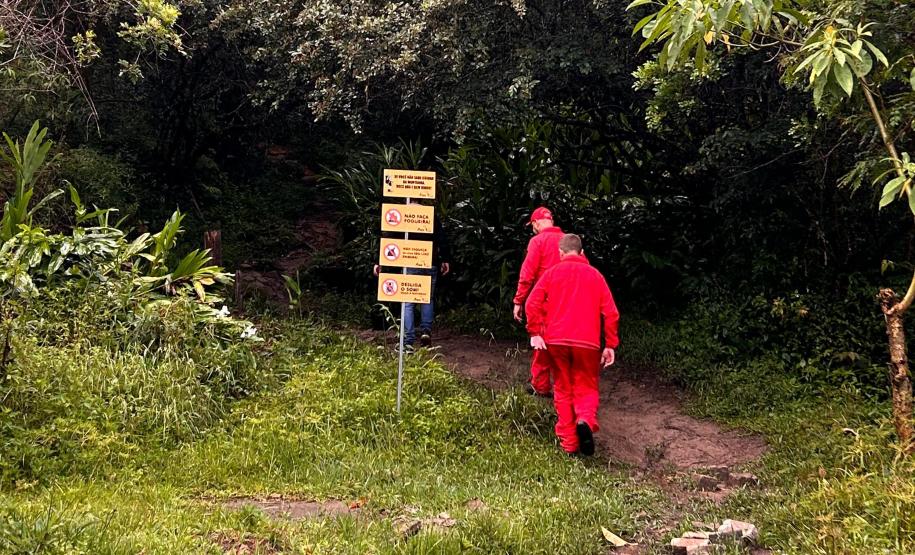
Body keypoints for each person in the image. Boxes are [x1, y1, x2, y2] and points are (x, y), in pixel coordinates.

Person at [524, 234, 619, 456]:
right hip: (588, 343)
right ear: (582, 252)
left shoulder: (551, 273)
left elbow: (532, 303)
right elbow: (612, 313)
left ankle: (569, 444)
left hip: (556, 341)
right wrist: (611, 344)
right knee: (586, 386)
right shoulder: (596, 276)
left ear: (560, 253)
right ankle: (585, 419)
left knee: (563, 389)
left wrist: (535, 332)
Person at [374, 210, 451, 352]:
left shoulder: (402, 215)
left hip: (410, 261)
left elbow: (389, 239)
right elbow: (441, 238)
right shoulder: (430, 214)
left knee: (408, 301)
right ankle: (425, 332)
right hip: (430, 261)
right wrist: (445, 259)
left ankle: (408, 341)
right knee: (427, 298)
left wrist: (379, 261)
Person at [513, 206, 567, 397]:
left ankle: (541, 385)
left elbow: (527, 274)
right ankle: (568, 386)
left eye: (532, 225)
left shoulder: (537, 242)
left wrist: (518, 300)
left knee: (542, 342)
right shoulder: (568, 240)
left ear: (536, 223)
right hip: (568, 301)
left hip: (545, 301)